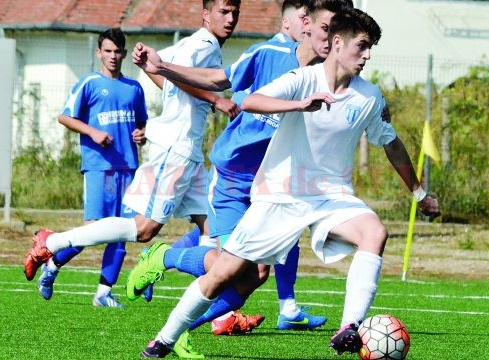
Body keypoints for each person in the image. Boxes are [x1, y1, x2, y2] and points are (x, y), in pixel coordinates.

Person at [131, 7, 440, 358]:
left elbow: (391, 143)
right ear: (338, 43)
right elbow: (248, 100)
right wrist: (298, 105)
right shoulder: (303, 79)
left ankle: (349, 329)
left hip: (331, 196)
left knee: (375, 233)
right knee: (225, 272)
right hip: (280, 194)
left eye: (371, 48)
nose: (368, 55)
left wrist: (419, 192)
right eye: (363, 46)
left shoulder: (369, 97)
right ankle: (163, 341)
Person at [128, 0, 355, 343]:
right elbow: (219, 80)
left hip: (273, 185)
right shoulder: (267, 55)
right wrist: (163, 67)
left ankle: (187, 328)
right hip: (234, 176)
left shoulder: (335, 79)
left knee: (256, 275)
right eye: (327, 30)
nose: (333, 39)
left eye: (340, 33)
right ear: (306, 24)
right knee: (228, 265)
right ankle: (164, 256)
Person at [23, 1, 241, 356]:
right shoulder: (201, 46)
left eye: (235, 13)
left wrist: (147, 65)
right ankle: (56, 240)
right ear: (206, 14)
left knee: (212, 238)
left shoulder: (200, 46)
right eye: (224, 11)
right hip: (176, 150)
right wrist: (216, 100)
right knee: (142, 230)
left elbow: (164, 74)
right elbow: (176, 77)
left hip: (190, 153)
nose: (230, 19)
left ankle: (204, 320)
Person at [35, 28, 148, 308]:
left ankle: (103, 294)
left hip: (129, 167)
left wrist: (142, 134)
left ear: (124, 53)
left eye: (117, 51)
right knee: (92, 230)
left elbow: (142, 124)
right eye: (107, 51)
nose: (113, 56)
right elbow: (65, 116)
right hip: (99, 168)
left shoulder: (134, 88)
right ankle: (52, 264)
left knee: (123, 232)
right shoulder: (89, 84)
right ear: (99, 52)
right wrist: (93, 132)